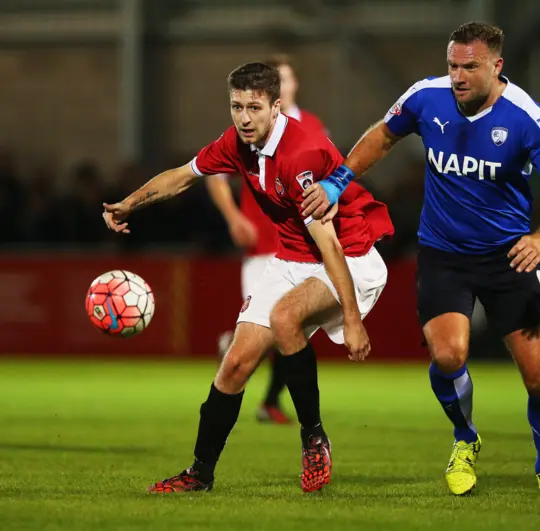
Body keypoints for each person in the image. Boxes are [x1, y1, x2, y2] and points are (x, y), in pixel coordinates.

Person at [300, 22, 540, 498]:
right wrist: (339, 180)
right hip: (443, 253)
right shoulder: (425, 97)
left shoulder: (526, 118)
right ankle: (465, 438)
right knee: (449, 353)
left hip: (509, 256)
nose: (457, 76)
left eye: (469, 67)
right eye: (452, 65)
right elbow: (383, 136)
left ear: (496, 66)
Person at [102, 62, 394, 493]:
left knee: (283, 317)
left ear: (277, 107)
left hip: (350, 257)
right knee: (235, 365)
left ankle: (313, 437)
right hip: (293, 256)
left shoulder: (301, 154)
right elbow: (183, 177)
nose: (243, 117)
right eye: (236, 106)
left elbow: (329, 243)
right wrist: (129, 204)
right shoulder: (236, 143)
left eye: (254, 107)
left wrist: (352, 318)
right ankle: (199, 474)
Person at [205, 55, 328, 425]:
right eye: (282, 79)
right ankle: (264, 393)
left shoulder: (311, 128)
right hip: (261, 247)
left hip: (303, 248)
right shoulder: (246, 130)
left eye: (289, 80)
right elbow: (212, 175)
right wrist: (234, 217)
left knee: (291, 331)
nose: (287, 86)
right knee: (274, 333)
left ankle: (271, 400)